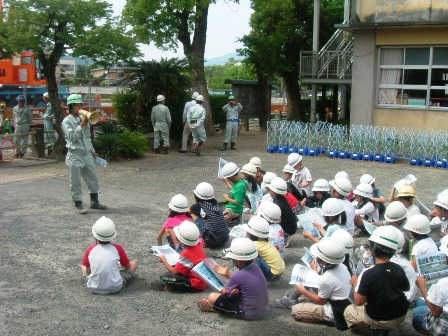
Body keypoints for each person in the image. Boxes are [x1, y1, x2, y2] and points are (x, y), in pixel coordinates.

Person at [344, 226, 410, 331]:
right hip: (400, 314)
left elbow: (359, 301)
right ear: (393, 252)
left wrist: (356, 283)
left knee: (348, 311)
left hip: (379, 318)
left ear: (372, 250)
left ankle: (374, 327)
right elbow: (406, 288)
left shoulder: (367, 273)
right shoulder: (399, 268)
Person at [196, 237, 269, 320]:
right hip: (261, 309)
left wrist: (213, 280)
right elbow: (242, 280)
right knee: (234, 292)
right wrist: (227, 274)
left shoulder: (238, 275)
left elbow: (224, 292)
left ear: (239, 261)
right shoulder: (255, 267)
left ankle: (214, 308)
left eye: (233, 259)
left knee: (212, 297)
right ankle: (216, 306)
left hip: (248, 313)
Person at [290, 238, 352, 331]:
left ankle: (328, 319)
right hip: (344, 303)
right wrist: (315, 272)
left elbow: (321, 301)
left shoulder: (326, 279)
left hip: (334, 310)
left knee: (295, 311)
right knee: (312, 279)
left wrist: (303, 291)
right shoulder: (342, 266)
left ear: (325, 260)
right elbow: (327, 281)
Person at [62, 93, 107, 214]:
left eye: (80, 105)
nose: (80, 107)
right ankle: (78, 204)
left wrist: (92, 151)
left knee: (93, 178)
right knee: (75, 181)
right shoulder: (67, 121)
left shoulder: (83, 119)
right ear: (71, 107)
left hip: (87, 154)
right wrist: (80, 126)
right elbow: (71, 137)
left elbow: (87, 138)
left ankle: (94, 202)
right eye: (77, 105)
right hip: (75, 155)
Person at [81, 216, 138, 294]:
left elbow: (88, 272)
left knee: (83, 265)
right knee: (134, 263)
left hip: (93, 287)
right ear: (113, 234)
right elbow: (128, 267)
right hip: (115, 287)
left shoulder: (90, 249)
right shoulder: (118, 248)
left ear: (95, 234)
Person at [152, 221, 207, 292]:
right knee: (172, 272)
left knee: (165, 276)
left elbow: (174, 272)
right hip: (201, 278)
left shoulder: (186, 253)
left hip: (196, 283)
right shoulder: (196, 247)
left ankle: (172, 287)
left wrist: (164, 260)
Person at [412, 235, 448, 336]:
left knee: (416, 317)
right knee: (419, 304)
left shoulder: (444, 283)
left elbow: (436, 312)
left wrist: (422, 288)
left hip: (445, 324)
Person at [242, 216, 285, 282]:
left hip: (273, 275)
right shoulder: (264, 242)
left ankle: (253, 278)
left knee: (254, 258)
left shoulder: (255, 244)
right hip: (279, 272)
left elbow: (243, 250)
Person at [189, 182, 229, 248]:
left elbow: (187, 212)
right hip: (224, 239)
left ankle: (204, 241)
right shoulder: (217, 205)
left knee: (193, 214)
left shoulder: (198, 206)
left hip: (211, 242)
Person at [269, 177, 297, 247]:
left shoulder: (277, 203)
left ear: (273, 191)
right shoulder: (281, 199)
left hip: (287, 229)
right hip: (292, 226)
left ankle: (285, 237)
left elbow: (278, 220)